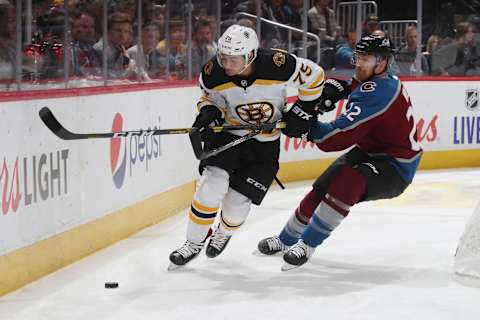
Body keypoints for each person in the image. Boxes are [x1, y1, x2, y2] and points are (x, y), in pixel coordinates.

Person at [169, 24, 328, 269]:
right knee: (212, 185)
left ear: (251, 55)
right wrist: (209, 113)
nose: (227, 65)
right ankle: (193, 242)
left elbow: (315, 77)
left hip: (265, 144)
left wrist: (303, 110)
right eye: (224, 58)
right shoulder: (213, 72)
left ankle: (223, 231)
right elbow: (211, 98)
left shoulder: (278, 64)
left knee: (235, 207)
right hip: (229, 136)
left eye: (234, 59)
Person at [257, 35, 423, 270]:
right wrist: (339, 88)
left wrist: (306, 128)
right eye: (359, 57)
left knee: (347, 182)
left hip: (396, 168)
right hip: (370, 152)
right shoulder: (378, 80)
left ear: (382, 63)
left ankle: (308, 244)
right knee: (324, 184)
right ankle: (286, 240)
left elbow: (334, 138)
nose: (358, 63)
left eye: (366, 59)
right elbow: (356, 85)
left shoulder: (380, 92)